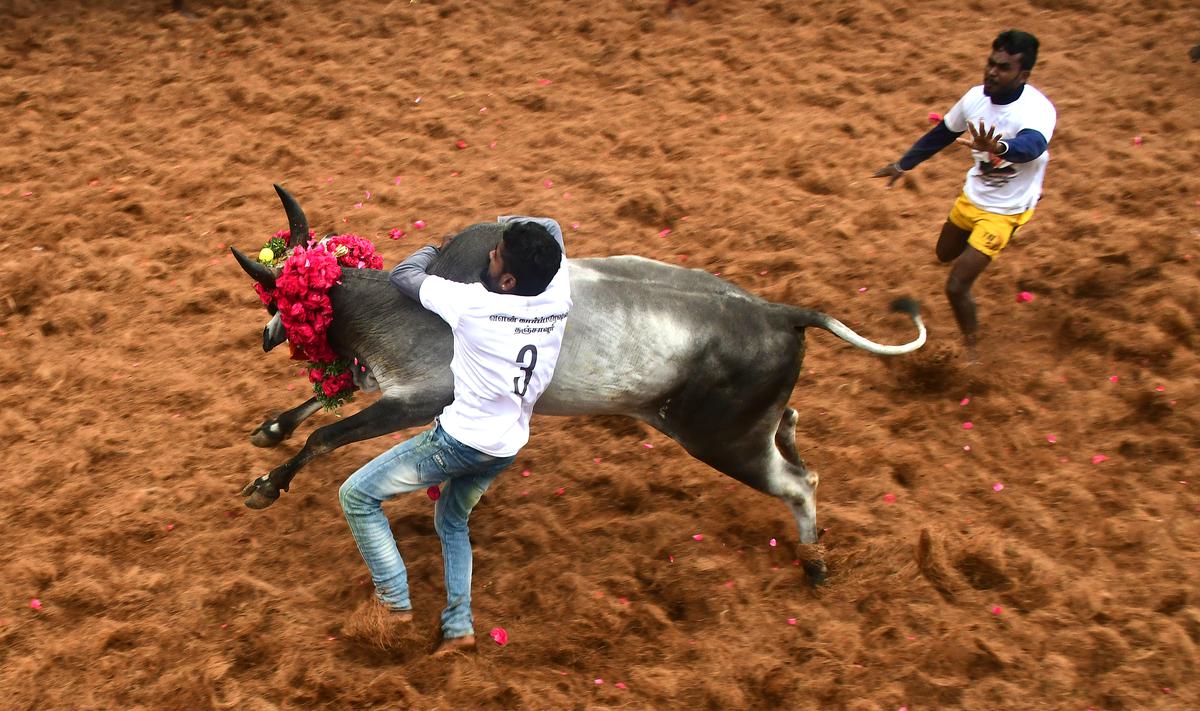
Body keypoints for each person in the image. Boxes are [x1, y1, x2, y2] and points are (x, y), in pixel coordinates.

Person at [339, 216, 571, 656]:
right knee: (451, 520)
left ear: (506, 280)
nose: (488, 253)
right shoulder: (558, 295)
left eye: (496, 254)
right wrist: (514, 232)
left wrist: (437, 248)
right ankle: (459, 626)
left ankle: (393, 602)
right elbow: (554, 228)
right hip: (506, 446)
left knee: (356, 496)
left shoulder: (472, 305)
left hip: (457, 445)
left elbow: (406, 275)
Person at [873, 30, 1056, 358]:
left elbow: (1033, 146)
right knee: (944, 253)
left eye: (1003, 68)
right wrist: (903, 164)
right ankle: (974, 253)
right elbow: (942, 133)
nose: (992, 72)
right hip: (972, 196)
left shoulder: (1037, 110)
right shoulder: (974, 99)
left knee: (956, 286)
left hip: (1006, 210)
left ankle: (974, 349)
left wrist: (999, 146)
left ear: (1023, 75)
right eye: (990, 63)